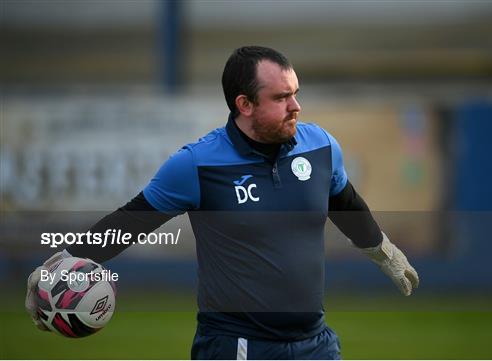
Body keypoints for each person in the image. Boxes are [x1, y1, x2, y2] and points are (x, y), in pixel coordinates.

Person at [26, 46, 419, 360]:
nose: (295, 107)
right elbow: (132, 221)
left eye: (295, 94)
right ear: (245, 104)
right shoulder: (198, 164)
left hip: (316, 344)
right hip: (236, 347)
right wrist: (62, 259)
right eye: (281, 98)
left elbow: (345, 202)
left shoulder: (320, 146)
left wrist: (384, 253)